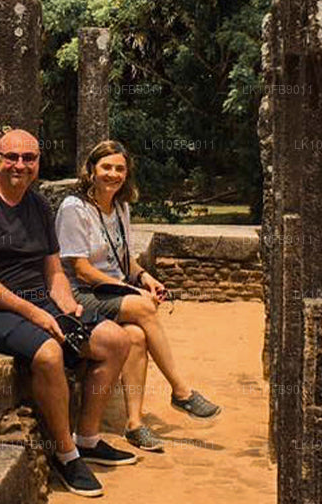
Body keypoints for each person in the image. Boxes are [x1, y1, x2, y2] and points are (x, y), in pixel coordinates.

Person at [0, 129, 135, 498]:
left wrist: (65, 305)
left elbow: (54, 270)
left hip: (40, 302)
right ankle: (66, 453)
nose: (20, 165)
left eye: (29, 158)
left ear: (38, 163)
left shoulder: (39, 204)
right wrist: (34, 313)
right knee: (48, 353)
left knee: (116, 340)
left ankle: (88, 438)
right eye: (12, 157)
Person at [56, 140, 222, 453]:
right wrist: (130, 290)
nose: (113, 174)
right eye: (106, 167)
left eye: (119, 168)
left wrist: (145, 277)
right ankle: (181, 391)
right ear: (91, 170)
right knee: (144, 307)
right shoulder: (74, 209)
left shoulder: (121, 207)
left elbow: (124, 261)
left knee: (136, 336)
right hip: (80, 294)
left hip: (111, 291)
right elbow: (81, 269)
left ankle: (134, 424)